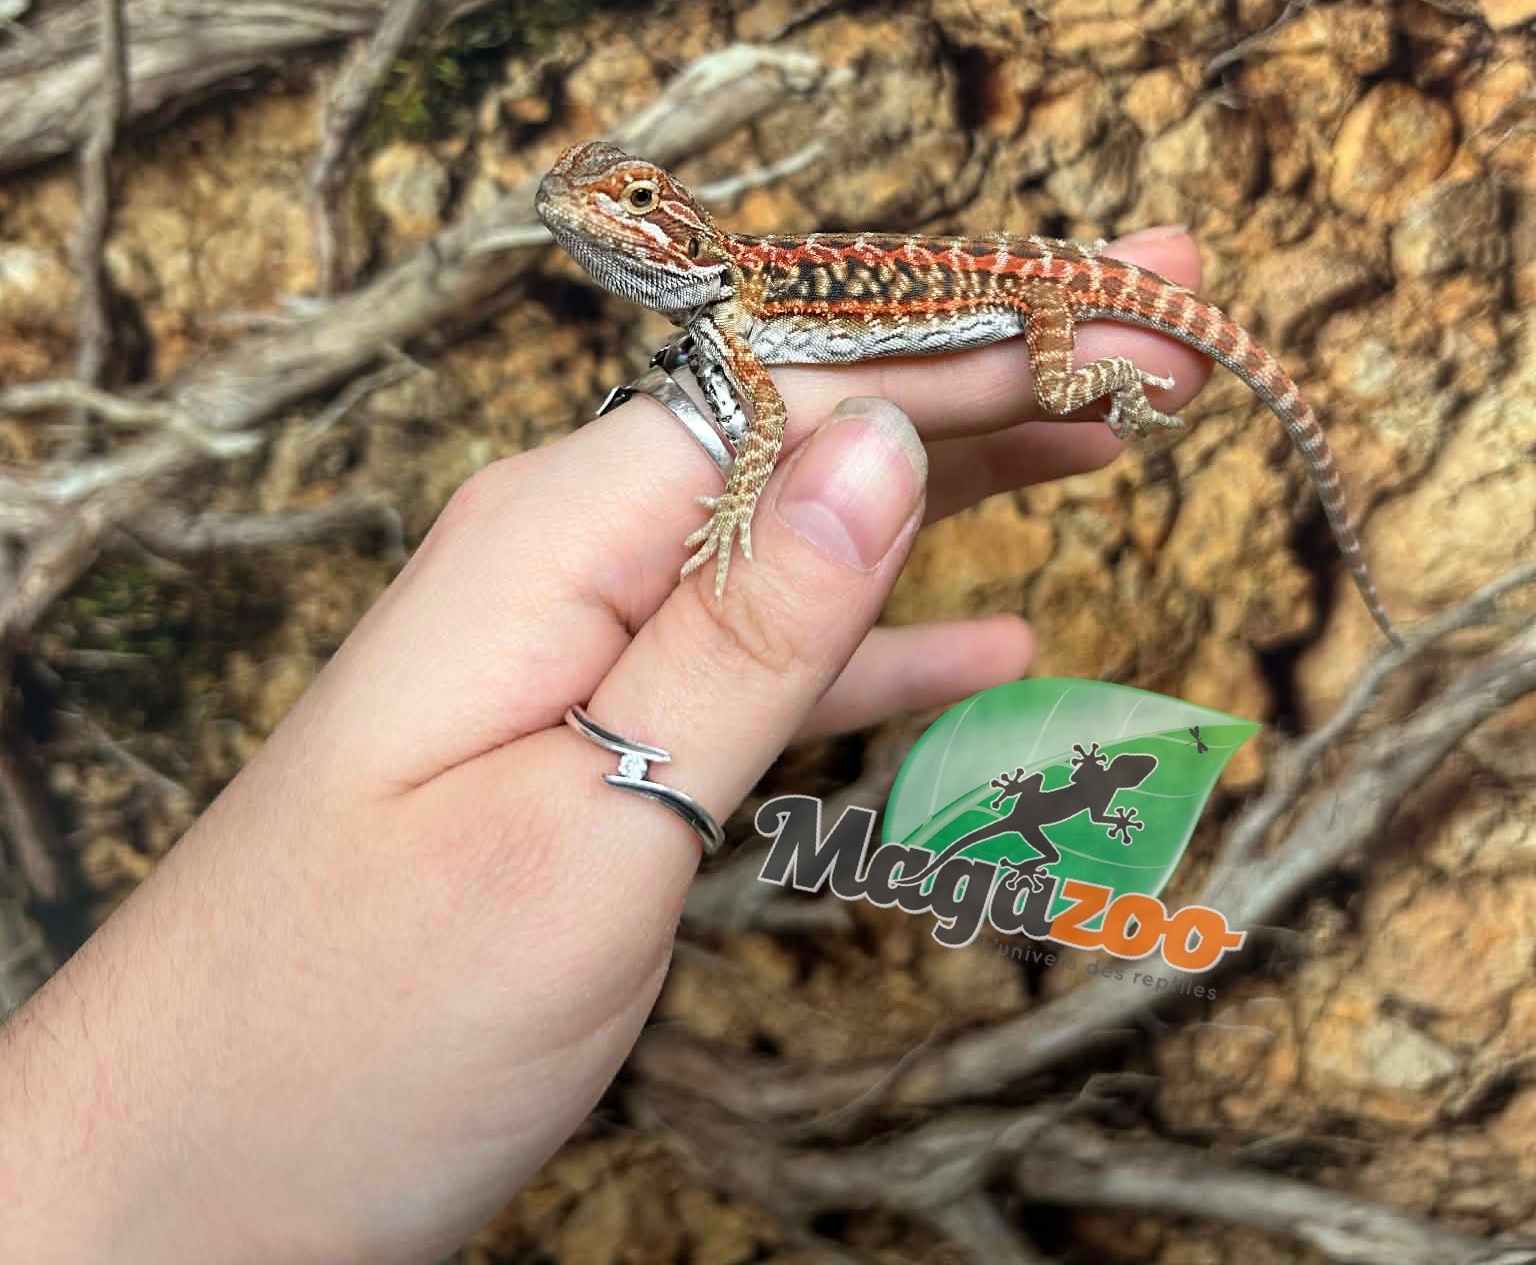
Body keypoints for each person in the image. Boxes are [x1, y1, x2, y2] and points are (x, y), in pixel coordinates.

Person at [0, 230, 1206, 1264]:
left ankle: (1118, 378)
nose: (603, 222)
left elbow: (768, 418)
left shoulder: (750, 300)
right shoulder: (732, 310)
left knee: (1065, 376)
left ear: (673, 229)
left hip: (1032, 293)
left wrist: (739, 511)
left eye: (630, 202)